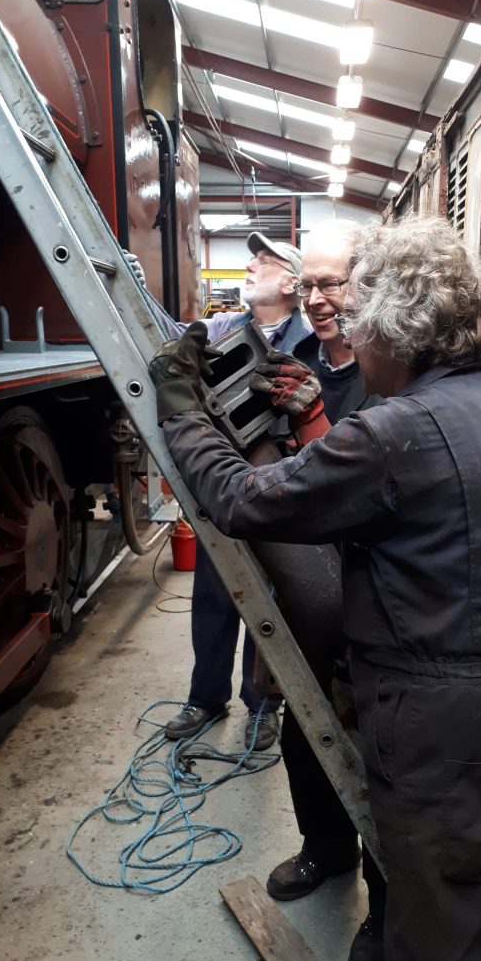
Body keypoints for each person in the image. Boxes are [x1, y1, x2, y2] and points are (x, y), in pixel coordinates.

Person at [150, 215, 481, 961]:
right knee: (455, 894)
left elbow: (245, 502)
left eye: (355, 323)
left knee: (437, 953)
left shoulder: (401, 431)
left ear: (392, 333)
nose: (346, 334)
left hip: (451, 727)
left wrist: (181, 413)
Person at [255, 220, 386, 961]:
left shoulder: (387, 368)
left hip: (374, 589)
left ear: (365, 285)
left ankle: (385, 906)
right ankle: (326, 852)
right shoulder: (293, 360)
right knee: (303, 731)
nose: (318, 298)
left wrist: (313, 422)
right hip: (307, 582)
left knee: (376, 751)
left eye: (332, 283)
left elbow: (367, 483)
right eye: (307, 284)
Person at [159, 233, 311, 750]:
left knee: (269, 598)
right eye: (252, 258)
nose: (251, 265)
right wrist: (134, 282)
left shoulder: (309, 342)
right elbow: (168, 340)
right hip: (220, 485)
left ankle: (263, 703)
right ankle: (205, 697)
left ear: (294, 282)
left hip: (277, 492)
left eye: (265, 261)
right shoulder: (223, 328)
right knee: (213, 595)